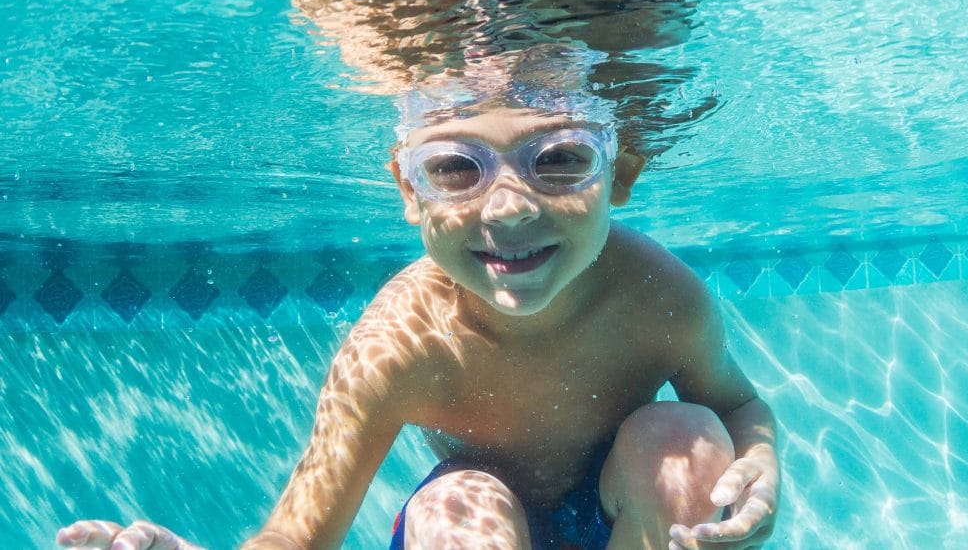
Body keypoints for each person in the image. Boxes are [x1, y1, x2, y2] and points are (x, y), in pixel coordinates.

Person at [57, 73, 779, 549]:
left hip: (624, 520)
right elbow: (298, 535)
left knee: (686, 441)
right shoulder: (399, 340)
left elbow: (736, 401)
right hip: (471, 534)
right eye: (456, 168)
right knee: (457, 508)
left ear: (617, 175)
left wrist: (760, 459)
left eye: (557, 159)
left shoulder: (659, 295)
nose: (508, 206)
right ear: (410, 191)